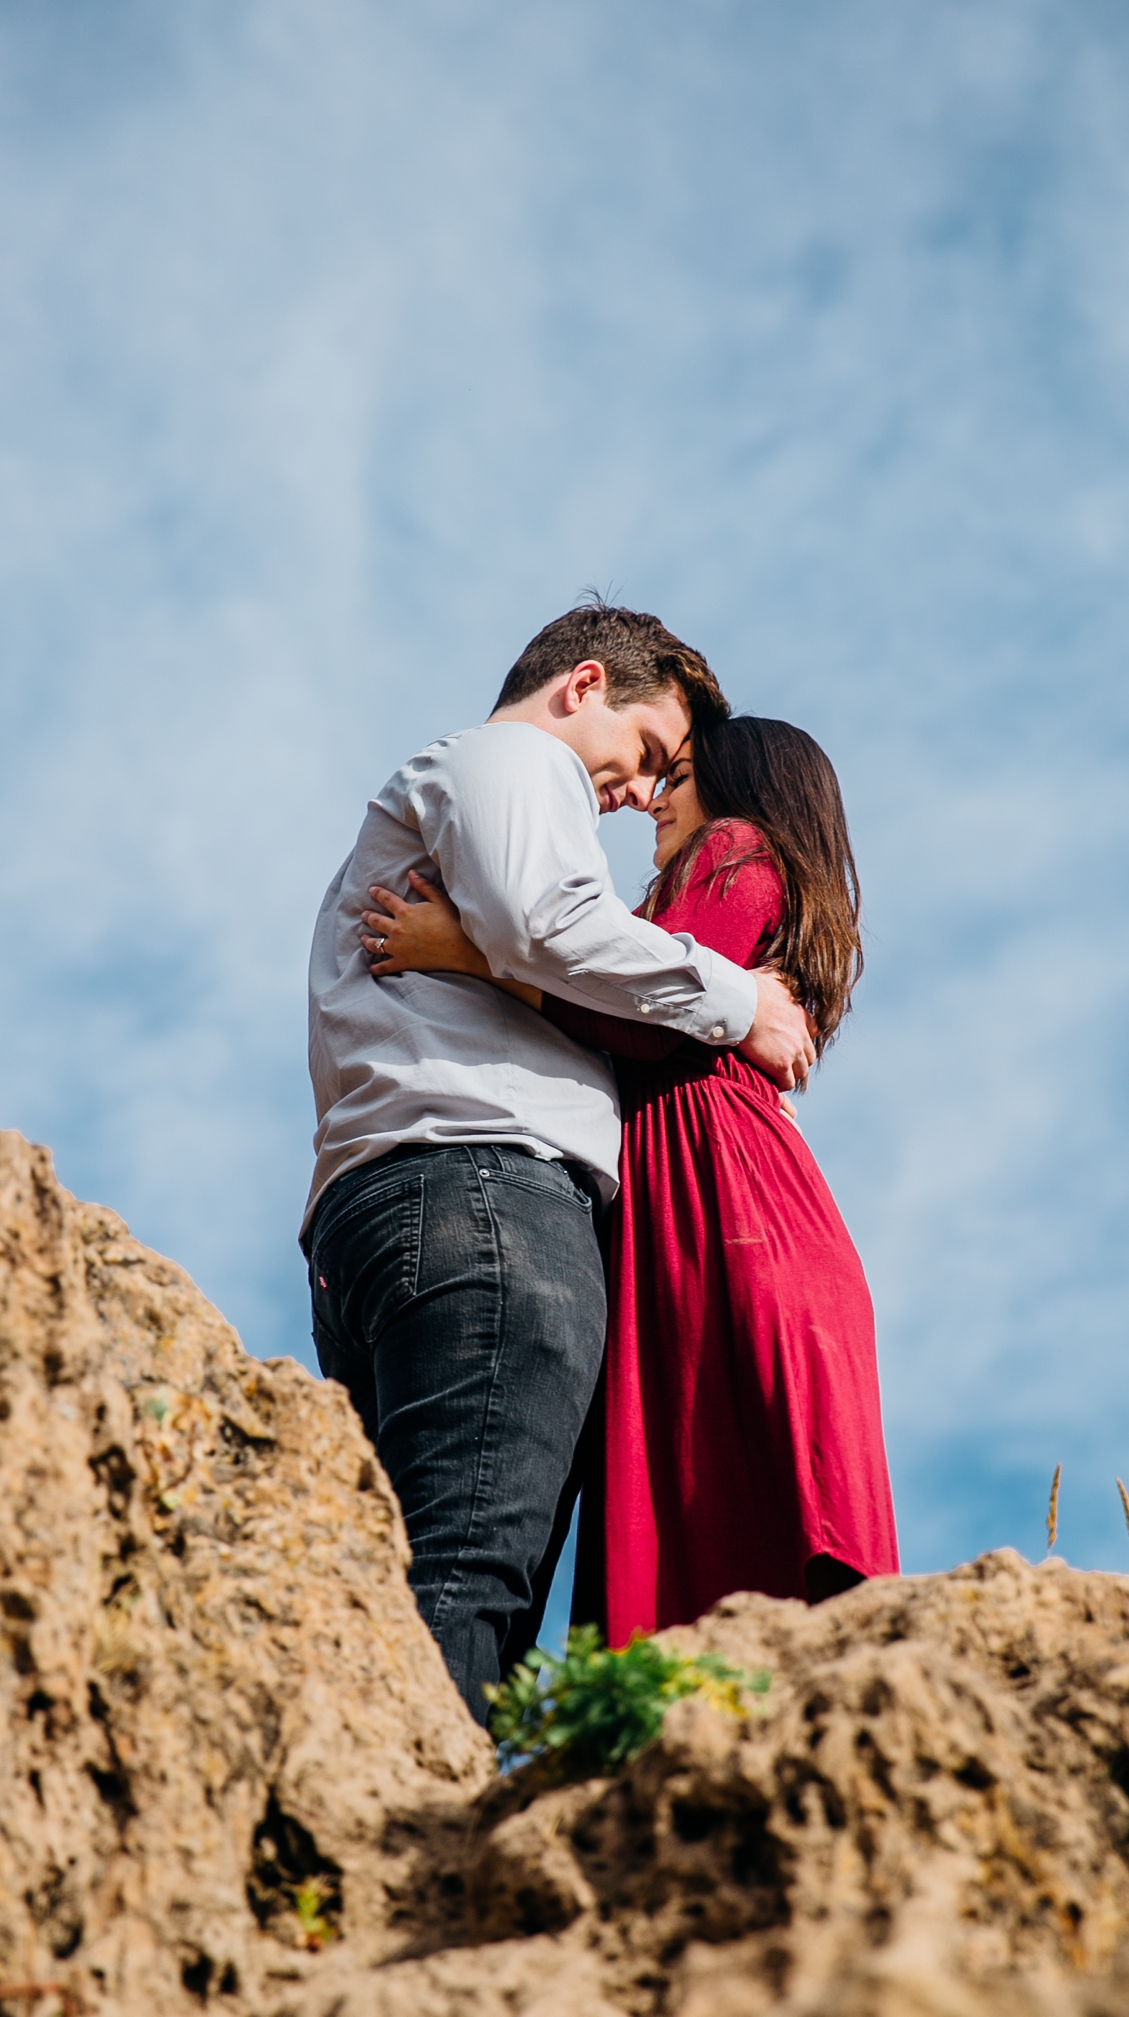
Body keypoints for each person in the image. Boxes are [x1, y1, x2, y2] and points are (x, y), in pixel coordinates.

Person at [302, 606, 814, 1719]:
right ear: (584, 685)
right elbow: (555, 923)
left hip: (397, 1207)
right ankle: (415, 1844)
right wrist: (741, 1004)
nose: (639, 793)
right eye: (645, 756)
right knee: (475, 1572)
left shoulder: (467, 797)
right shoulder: (513, 760)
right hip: (486, 1196)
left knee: (405, 1578)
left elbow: (532, 945)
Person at [360, 712, 899, 1645]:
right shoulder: (736, 880)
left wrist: (463, 952)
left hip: (721, 1198)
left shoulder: (734, 848)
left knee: (708, 1477)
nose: (652, 797)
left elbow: (646, 1015)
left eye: (676, 773)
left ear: (736, 784)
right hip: (724, 1196)